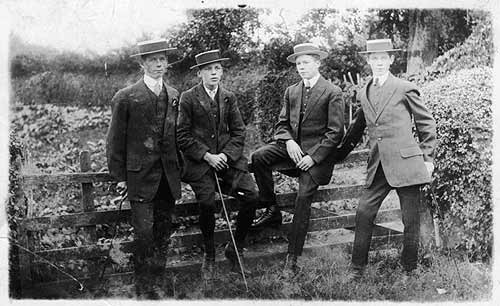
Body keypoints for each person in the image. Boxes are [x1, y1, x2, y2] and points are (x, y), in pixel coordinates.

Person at [336, 38, 437, 279]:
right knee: (363, 212)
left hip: (407, 164)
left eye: (383, 58)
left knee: (410, 220)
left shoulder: (404, 87)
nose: (379, 62)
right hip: (378, 165)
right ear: (368, 61)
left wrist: (428, 158)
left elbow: (427, 123)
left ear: (391, 60)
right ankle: (357, 269)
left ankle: (409, 269)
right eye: (374, 58)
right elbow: (357, 127)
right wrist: (335, 155)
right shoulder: (364, 91)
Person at [250, 43, 345, 272]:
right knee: (259, 157)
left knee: (302, 199)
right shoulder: (292, 91)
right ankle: (271, 209)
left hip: (315, 160)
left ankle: (292, 259)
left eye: (306, 62)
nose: (301, 67)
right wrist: (289, 141)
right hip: (292, 152)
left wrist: (313, 158)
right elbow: (282, 124)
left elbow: (336, 133)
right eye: (298, 63)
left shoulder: (332, 92)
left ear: (317, 63)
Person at [106, 38, 182, 298]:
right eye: (152, 60)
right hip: (139, 177)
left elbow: (176, 137)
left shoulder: (173, 95)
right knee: (144, 234)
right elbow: (115, 139)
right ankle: (143, 288)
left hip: (167, 177)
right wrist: (120, 177)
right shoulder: (126, 97)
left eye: (162, 59)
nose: (159, 64)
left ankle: (158, 283)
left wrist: (180, 170)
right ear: (142, 64)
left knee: (163, 231)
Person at [177, 50, 258, 279]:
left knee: (251, 196)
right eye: (209, 69)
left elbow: (239, 132)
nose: (214, 73)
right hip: (200, 163)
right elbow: (182, 135)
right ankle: (209, 255)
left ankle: (235, 249)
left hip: (227, 161)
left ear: (221, 71)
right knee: (207, 203)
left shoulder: (228, 97)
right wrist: (206, 156)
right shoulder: (188, 98)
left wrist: (225, 156)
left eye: (218, 68)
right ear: (200, 73)